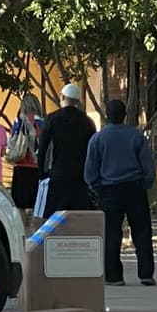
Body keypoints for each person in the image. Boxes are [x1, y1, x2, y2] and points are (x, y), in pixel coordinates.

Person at [84, 99, 156, 286]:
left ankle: (114, 275)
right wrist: (146, 182)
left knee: (111, 233)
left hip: (109, 190)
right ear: (124, 115)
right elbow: (147, 164)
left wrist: (96, 187)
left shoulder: (98, 139)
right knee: (141, 231)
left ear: (107, 115)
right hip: (135, 187)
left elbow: (90, 170)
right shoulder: (136, 136)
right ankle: (146, 273)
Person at [36, 83, 97, 214]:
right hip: (80, 178)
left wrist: (42, 174)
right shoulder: (87, 122)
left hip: (57, 176)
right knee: (78, 218)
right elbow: (92, 152)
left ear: (62, 97)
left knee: (53, 219)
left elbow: (42, 149)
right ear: (78, 101)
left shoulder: (51, 119)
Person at [5, 94, 43, 221]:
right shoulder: (42, 122)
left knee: (20, 205)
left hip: (21, 165)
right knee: (36, 204)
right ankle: (34, 228)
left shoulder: (19, 121)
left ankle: (22, 229)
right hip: (36, 167)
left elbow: (11, 142)